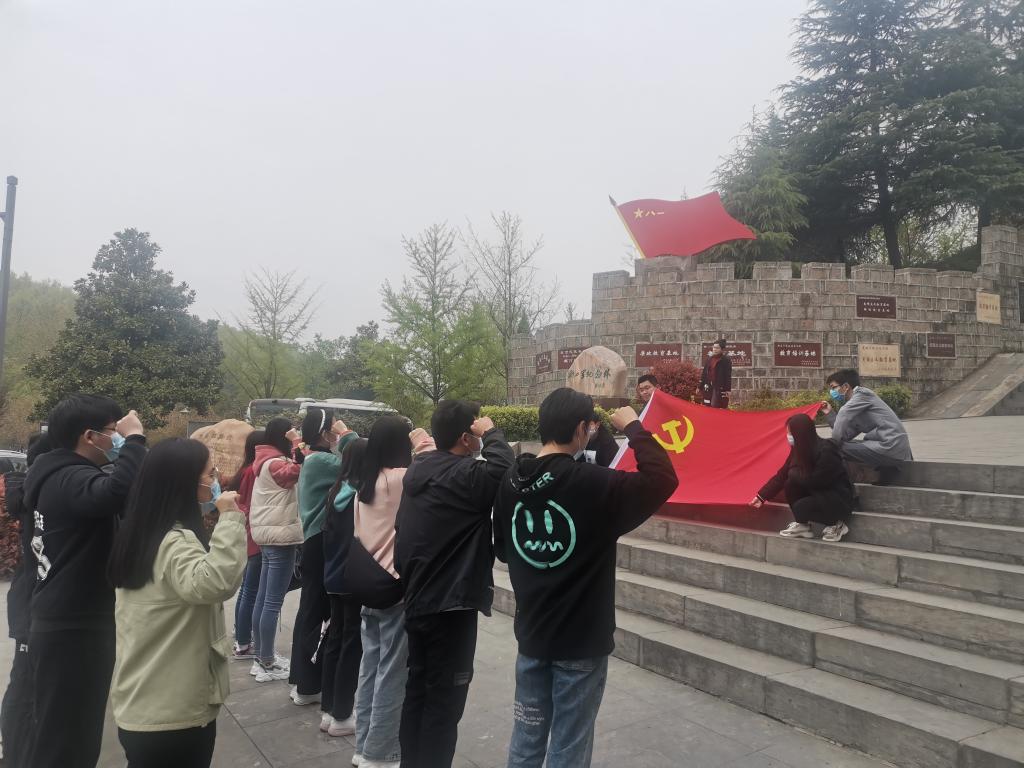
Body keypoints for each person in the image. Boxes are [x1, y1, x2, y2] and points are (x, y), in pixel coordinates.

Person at [493, 388, 678, 768]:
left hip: (532, 635)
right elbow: (662, 478)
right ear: (581, 429)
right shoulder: (594, 484)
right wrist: (634, 428)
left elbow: (503, 550)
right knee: (569, 746)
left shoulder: (511, 482)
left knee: (526, 740)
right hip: (580, 641)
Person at [21, 394, 147, 768]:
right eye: (113, 432)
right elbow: (117, 492)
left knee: (67, 731)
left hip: (66, 620)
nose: (117, 438)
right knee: (67, 740)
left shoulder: (58, 473)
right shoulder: (68, 476)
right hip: (72, 626)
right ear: (89, 436)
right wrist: (135, 440)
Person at [107, 438, 247, 768]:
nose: (215, 481)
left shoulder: (142, 532)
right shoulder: (174, 542)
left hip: (144, 702)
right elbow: (215, 582)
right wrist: (229, 518)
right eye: (210, 474)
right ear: (184, 482)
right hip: (174, 713)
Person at [394, 400, 515, 768]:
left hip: (418, 597)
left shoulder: (421, 469)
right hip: (451, 604)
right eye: (474, 432)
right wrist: (491, 432)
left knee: (418, 689)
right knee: (444, 702)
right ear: (466, 437)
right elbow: (504, 469)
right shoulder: (466, 476)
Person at [350, 415, 414, 768]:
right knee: (392, 672)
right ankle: (380, 753)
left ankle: (363, 746)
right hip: (393, 587)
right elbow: (432, 460)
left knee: (370, 667)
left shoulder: (366, 481)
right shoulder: (399, 479)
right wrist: (422, 438)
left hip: (366, 582)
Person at [289, 408, 357, 707]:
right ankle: (308, 683)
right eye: (332, 427)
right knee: (316, 610)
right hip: (321, 540)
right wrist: (348, 435)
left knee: (311, 608)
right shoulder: (322, 461)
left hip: (314, 539)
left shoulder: (314, 458)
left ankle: (303, 680)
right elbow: (358, 463)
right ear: (324, 432)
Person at [1, 433, 51, 768]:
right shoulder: (36, 491)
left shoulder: (32, 487)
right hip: (31, 600)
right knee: (23, 684)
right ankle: (15, 755)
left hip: (29, 595)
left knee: (28, 682)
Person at [319, 438, 368, 738]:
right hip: (353, 579)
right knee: (352, 644)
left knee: (335, 640)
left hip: (333, 577)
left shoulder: (335, 490)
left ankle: (328, 710)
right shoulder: (361, 495)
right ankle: (342, 714)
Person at [248, 417, 303, 682]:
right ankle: (267, 662)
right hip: (280, 536)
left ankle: (262, 656)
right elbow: (298, 469)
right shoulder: (275, 463)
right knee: (271, 601)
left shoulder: (263, 460)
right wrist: (297, 442)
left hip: (267, 535)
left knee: (263, 598)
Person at [749, 413, 856, 542]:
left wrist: (793, 472)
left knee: (801, 505)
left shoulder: (827, 450)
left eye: (790, 433)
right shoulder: (798, 451)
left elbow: (816, 481)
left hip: (836, 497)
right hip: (817, 493)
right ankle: (803, 526)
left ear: (800, 434)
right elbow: (782, 475)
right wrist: (761, 496)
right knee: (790, 485)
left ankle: (837, 524)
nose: (788, 436)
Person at [823, 369, 913, 475]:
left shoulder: (863, 394)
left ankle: (836, 479)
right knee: (842, 445)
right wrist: (829, 413)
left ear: (846, 386)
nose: (832, 392)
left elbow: (843, 414)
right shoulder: (856, 405)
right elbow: (846, 435)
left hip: (890, 446)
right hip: (887, 447)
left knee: (833, 449)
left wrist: (831, 445)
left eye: (833, 387)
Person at [225, 429, 265, 660]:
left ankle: (241, 633)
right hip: (253, 534)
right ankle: (243, 644)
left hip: (246, 534)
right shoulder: (253, 471)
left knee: (247, 590)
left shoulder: (244, 469)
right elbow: (249, 503)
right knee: (251, 590)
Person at [698, 339, 732, 409]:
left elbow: (728, 376)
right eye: (714, 347)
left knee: (715, 405)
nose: (715, 349)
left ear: (722, 349)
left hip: (718, 387)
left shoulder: (726, 360)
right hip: (708, 386)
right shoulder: (709, 359)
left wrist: (728, 390)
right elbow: (704, 374)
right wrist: (699, 386)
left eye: (717, 348)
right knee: (707, 405)